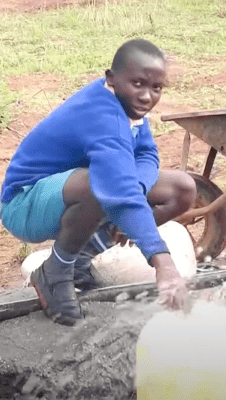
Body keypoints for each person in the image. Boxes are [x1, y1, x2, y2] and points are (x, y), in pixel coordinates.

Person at [0, 39, 196, 326]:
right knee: (99, 185)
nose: (146, 96)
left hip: (72, 189)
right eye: (138, 84)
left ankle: (78, 259)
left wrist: (138, 196)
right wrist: (163, 262)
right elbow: (117, 188)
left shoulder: (128, 105)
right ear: (111, 78)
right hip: (24, 203)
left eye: (156, 88)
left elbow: (146, 154)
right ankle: (56, 270)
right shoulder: (103, 116)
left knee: (181, 189)